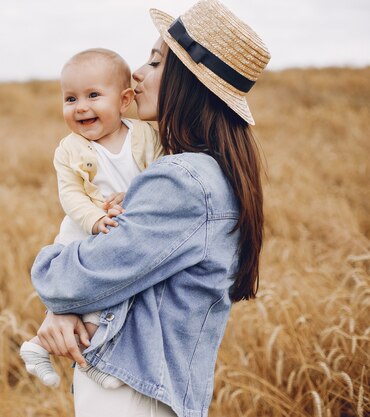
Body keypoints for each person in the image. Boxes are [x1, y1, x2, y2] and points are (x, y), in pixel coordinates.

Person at [30, 1, 271, 416]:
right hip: (146, 386)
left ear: (189, 82)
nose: (138, 73)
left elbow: (71, 280)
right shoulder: (209, 173)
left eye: (156, 62)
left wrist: (55, 289)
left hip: (131, 392)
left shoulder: (182, 181)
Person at [20, 48, 160, 389]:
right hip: (82, 228)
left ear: (124, 100)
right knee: (72, 292)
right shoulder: (69, 148)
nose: (80, 106)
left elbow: (158, 177)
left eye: (93, 95)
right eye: (70, 99)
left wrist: (133, 196)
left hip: (123, 226)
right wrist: (95, 219)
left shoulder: (144, 136)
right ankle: (43, 347)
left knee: (109, 299)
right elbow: (70, 195)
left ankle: (86, 355)